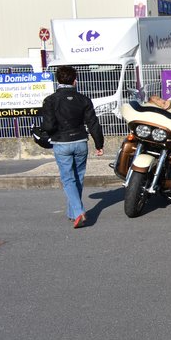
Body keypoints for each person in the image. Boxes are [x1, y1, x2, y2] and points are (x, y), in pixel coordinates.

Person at [39, 65, 104, 228]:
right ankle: (72, 212)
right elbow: (93, 123)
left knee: (68, 179)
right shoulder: (84, 99)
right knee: (78, 177)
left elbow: (48, 126)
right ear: (75, 80)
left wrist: (48, 131)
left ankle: (79, 212)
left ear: (57, 80)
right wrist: (99, 144)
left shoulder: (50, 100)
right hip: (81, 142)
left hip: (61, 143)